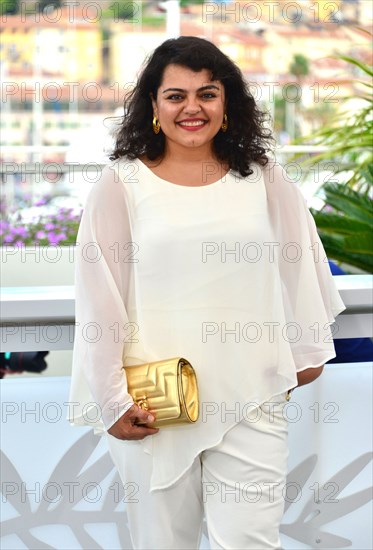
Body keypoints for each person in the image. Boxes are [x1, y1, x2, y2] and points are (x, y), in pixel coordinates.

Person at [68, 36, 346, 550]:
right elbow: (98, 297)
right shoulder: (120, 185)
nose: (192, 108)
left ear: (228, 104)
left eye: (208, 93)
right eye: (176, 95)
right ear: (153, 105)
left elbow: (299, 265)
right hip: (155, 402)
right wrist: (112, 400)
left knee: (251, 542)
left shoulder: (265, 180)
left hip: (252, 395)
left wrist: (304, 354)